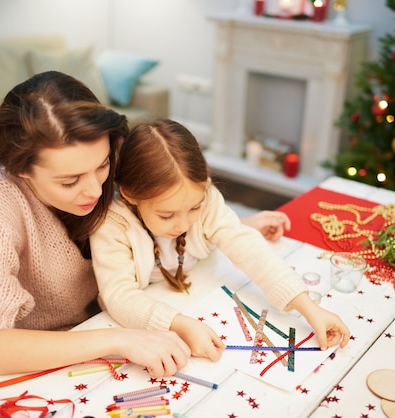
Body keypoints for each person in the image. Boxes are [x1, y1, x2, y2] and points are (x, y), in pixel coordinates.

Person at [0, 71, 293, 379]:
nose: (96, 190)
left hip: (119, 312)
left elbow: (151, 213)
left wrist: (226, 225)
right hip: (58, 350)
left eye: (102, 166)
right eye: (69, 182)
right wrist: (117, 340)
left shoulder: (108, 148)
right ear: (20, 169)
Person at [90, 119, 351, 364]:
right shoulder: (111, 225)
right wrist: (178, 324)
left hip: (199, 286)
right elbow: (119, 297)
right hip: (152, 311)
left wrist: (309, 308)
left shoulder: (205, 197)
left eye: (194, 209)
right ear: (129, 194)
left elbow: (245, 246)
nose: (182, 225)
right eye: (167, 215)